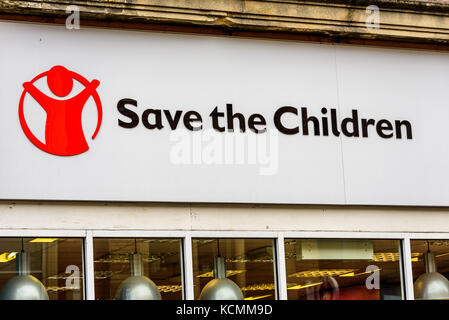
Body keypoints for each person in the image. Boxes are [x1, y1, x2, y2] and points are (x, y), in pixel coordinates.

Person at [23, 65, 100, 156]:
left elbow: (38, 95)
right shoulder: (74, 101)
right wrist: (92, 85)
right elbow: (87, 91)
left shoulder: (53, 103)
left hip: (56, 145)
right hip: (75, 145)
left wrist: (29, 87)